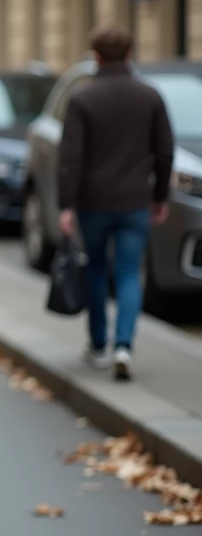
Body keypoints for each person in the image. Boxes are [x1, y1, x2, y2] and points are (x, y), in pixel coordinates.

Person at [58, 27, 173, 382]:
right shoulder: (149, 96)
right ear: (128, 56)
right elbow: (164, 150)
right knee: (127, 272)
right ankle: (124, 345)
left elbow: (71, 158)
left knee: (95, 269)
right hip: (135, 201)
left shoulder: (82, 99)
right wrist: (160, 195)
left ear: (95, 58)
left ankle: (98, 345)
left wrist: (67, 204)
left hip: (93, 202)